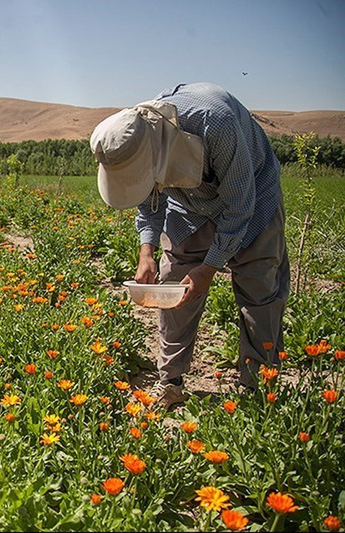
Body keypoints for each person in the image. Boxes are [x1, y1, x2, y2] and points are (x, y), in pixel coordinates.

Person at [89, 82, 290, 408]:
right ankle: (170, 382)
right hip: (188, 206)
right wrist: (147, 250)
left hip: (253, 197)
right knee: (173, 290)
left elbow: (240, 206)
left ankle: (259, 391)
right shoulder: (133, 138)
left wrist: (209, 267)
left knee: (259, 294)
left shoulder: (215, 122)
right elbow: (146, 195)